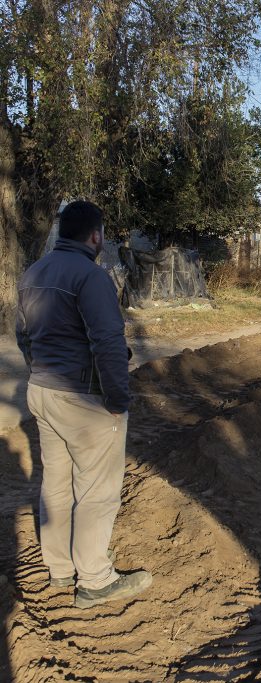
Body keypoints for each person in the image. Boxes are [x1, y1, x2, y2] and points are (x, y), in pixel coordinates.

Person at [16, 200, 152, 608]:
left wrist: (40, 369)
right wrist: (118, 399)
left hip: (42, 393)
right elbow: (108, 343)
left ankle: (60, 569)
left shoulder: (33, 273)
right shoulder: (91, 278)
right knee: (96, 490)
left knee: (55, 483)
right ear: (96, 236)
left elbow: (24, 337)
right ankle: (93, 578)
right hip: (83, 400)